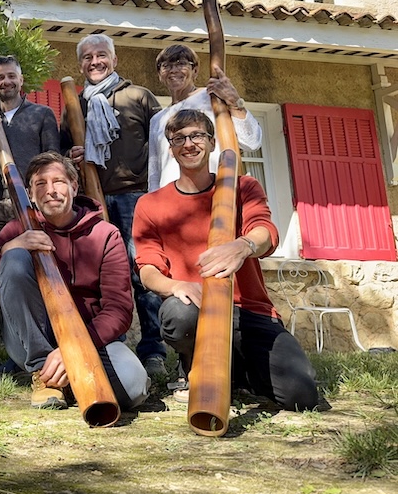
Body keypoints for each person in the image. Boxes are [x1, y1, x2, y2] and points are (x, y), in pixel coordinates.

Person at [133, 110, 318, 410]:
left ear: (211, 141)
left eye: (196, 136)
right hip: (197, 310)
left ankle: (239, 372)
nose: (188, 144)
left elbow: (266, 232)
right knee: (180, 315)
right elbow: (148, 270)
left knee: (301, 397)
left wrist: (243, 246)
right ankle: (192, 365)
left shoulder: (243, 187)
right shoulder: (150, 204)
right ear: (171, 148)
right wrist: (177, 286)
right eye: (179, 138)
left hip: (248, 312)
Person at [0, 153, 149, 411]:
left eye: (58, 181)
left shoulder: (105, 234)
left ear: (74, 187)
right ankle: (43, 373)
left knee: (133, 389)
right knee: (14, 258)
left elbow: (119, 310)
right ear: (31, 194)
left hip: (91, 339)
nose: (51, 190)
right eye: (40, 184)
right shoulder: (14, 231)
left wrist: (73, 348)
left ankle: (66, 378)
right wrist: (6, 251)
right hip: (31, 342)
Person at [61, 35, 167, 380]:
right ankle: (113, 342)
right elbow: (63, 156)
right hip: (94, 202)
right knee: (105, 278)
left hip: (136, 198)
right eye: (88, 57)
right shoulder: (76, 106)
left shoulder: (138, 96)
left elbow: (165, 146)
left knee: (144, 274)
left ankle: (154, 350)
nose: (95, 62)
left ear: (114, 60)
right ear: (80, 65)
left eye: (101, 55)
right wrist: (72, 158)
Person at [0, 55, 59, 261]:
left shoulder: (42, 114)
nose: (6, 82)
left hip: (28, 202)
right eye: (0, 78)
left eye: (11, 76)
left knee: (35, 261)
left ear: (21, 80)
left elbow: (53, 159)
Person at [148, 44, 261, 191]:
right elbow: (155, 170)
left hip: (215, 193)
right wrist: (155, 198)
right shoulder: (157, 119)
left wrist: (234, 101)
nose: (174, 70)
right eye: (166, 66)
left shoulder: (213, 97)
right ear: (160, 75)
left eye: (181, 64)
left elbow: (252, 142)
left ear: (195, 70)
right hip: (171, 201)